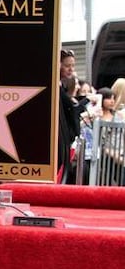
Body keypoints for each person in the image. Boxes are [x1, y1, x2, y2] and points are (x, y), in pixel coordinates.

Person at [58, 49, 79, 183]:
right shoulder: (56, 86)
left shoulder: (62, 85)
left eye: (73, 66)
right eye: (67, 65)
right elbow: (70, 106)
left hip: (65, 136)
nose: (71, 69)